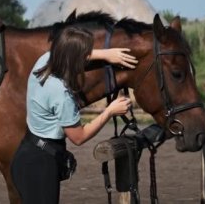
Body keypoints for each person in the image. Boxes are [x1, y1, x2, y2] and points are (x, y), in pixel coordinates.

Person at [10, 26, 138, 204]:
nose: (87, 58)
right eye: (84, 55)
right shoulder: (60, 93)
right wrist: (109, 111)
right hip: (40, 165)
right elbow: (79, 136)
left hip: (27, 153)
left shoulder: (43, 62)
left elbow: (69, 52)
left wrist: (105, 54)